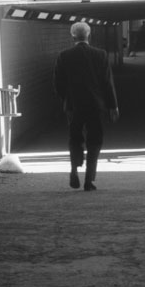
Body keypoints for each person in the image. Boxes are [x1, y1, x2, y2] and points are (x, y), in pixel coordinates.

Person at [53, 21, 119, 191]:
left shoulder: (64, 55)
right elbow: (107, 83)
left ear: (72, 35)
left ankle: (74, 169)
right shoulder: (101, 54)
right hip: (96, 105)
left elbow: (58, 83)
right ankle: (89, 180)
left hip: (74, 105)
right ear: (89, 35)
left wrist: (66, 100)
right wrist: (113, 105)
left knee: (74, 138)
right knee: (95, 139)